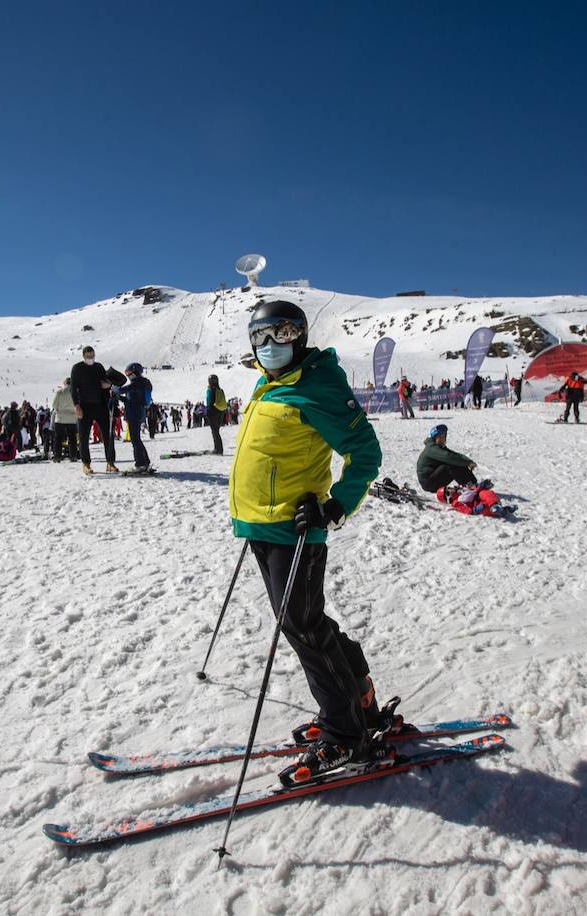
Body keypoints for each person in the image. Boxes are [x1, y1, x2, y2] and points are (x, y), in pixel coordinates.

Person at [229, 299, 384, 785]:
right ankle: (359, 699)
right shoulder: (268, 384)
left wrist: (336, 505)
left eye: (281, 333)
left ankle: (346, 735)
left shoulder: (318, 384)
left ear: (299, 335)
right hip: (259, 525)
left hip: (295, 530)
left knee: (302, 627)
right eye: (260, 336)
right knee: (305, 623)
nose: (270, 345)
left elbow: (365, 452)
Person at [70, 346, 123, 475]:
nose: (91, 358)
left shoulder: (98, 367)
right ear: (83, 356)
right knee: (83, 436)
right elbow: (73, 388)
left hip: (100, 405)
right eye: (88, 356)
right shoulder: (77, 368)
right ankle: (86, 464)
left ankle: (110, 463)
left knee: (108, 435)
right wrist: (76, 406)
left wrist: (108, 384)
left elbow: (106, 381)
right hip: (84, 406)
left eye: (92, 356)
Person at [416, 424, 478, 492]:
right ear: (434, 438)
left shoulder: (438, 447)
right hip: (428, 483)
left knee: (456, 462)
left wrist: (468, 461)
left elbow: (454, 455)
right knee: (450, 464)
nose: (442, 439)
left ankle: (474, 484)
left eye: (443, 437)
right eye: (440, 437)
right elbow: (449, 457)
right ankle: (470, 487)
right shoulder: (431, 449)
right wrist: (467, 463)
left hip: (433, 477)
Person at [121, 363, 154, 471]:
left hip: (135, 414)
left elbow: (125, 390)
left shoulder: (138, 383)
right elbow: (131, 400)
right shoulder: (142, 383)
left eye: (129, 374)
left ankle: (140, 463)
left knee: (135, 439)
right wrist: (120, 397)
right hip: (136, 412)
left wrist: (116, 389)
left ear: (135, 372)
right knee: (136, 439)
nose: (128, 376)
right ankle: (145, 461)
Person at [52, 378, 77, 462]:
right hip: (72, 418)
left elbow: (54, 405)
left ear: (65, 383)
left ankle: (57, 456)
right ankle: (73, 456)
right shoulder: (75, 393)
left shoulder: (59, 392)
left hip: (60, 418)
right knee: (72, 438)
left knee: (58, 438)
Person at [205, 374, 227, 455]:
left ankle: (218, 449)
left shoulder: (210, 389)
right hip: (220, 412)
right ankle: (218, 449)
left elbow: (209, 401)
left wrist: (207, 412)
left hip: (212, 412)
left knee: (215, 432)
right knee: (217, 431)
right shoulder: (220, 390)